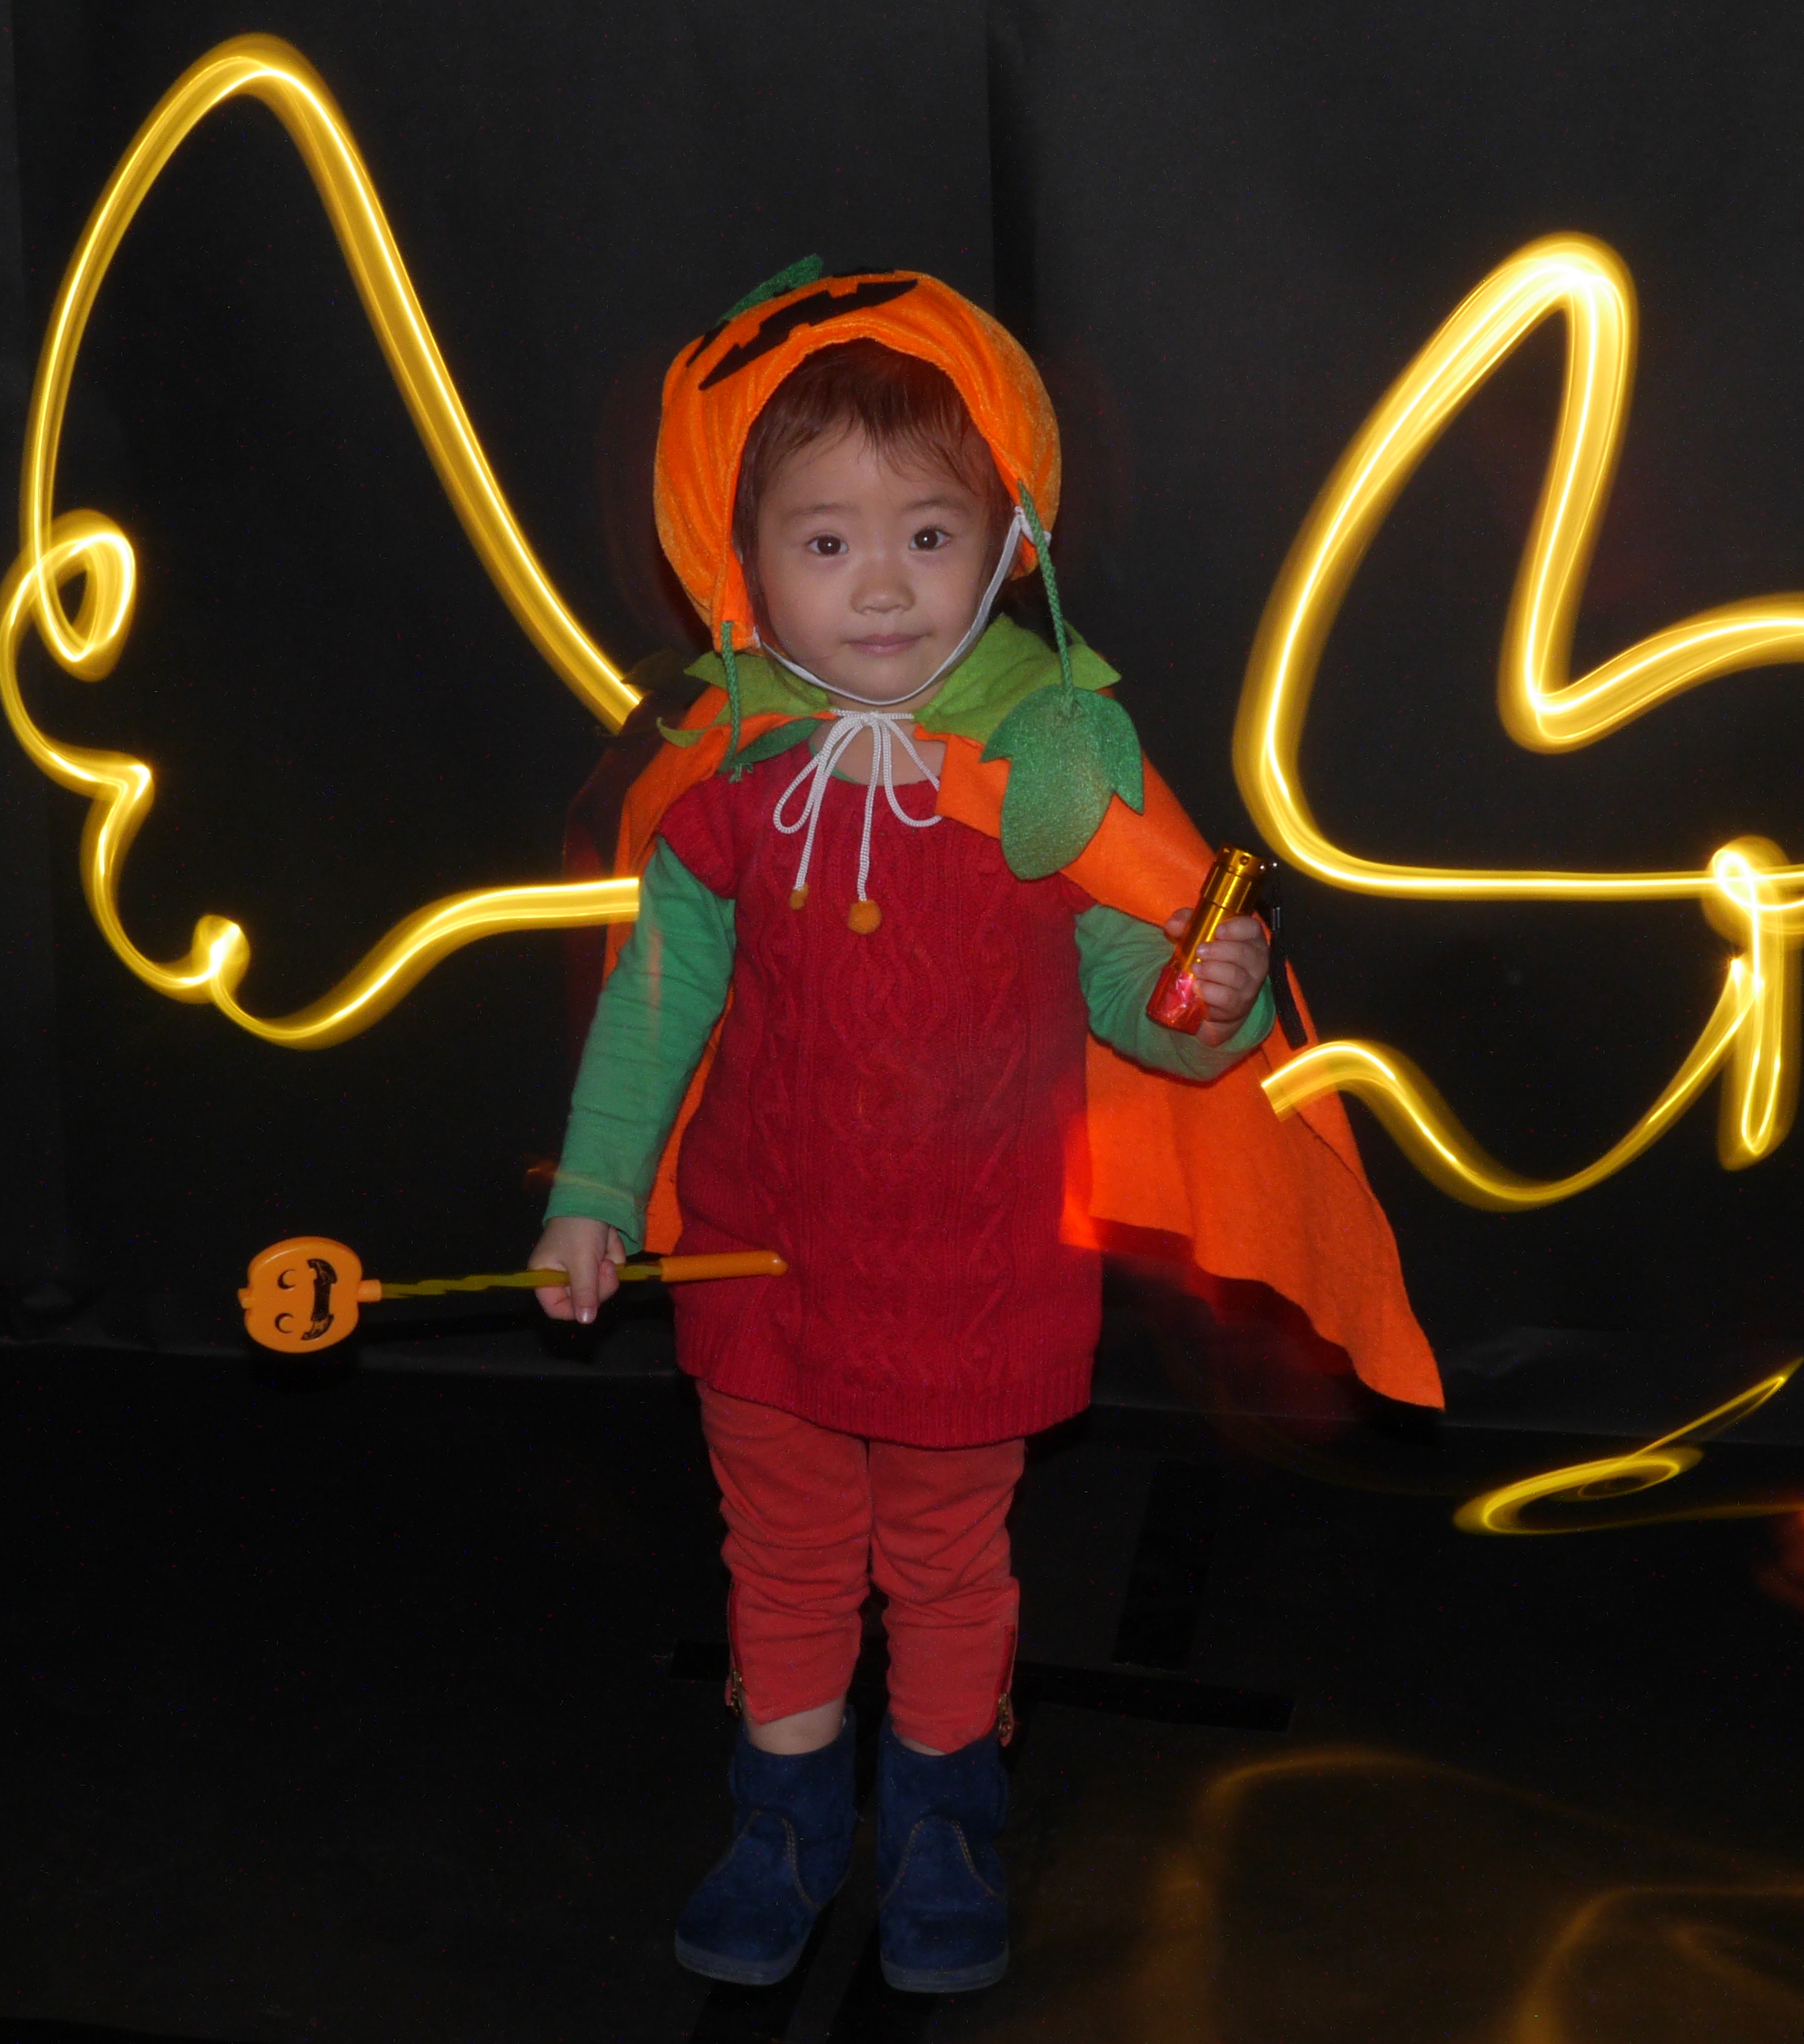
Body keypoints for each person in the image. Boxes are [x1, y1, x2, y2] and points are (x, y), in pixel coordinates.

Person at [527, 262, 1429, 1996]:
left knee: (948, 1566)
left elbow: (1142, 1011)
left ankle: (945, 1825)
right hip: (762, 1271)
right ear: (739, 560)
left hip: (975, 1278)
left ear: (1011, 542)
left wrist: (1213, 994)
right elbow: (655, 1009)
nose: (881, 582)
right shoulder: (725, 780)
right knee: (786, 1556)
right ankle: (787, 1821)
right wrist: (595, 1195)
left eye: (929, 535)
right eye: (826, 539)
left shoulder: (1054, 770)